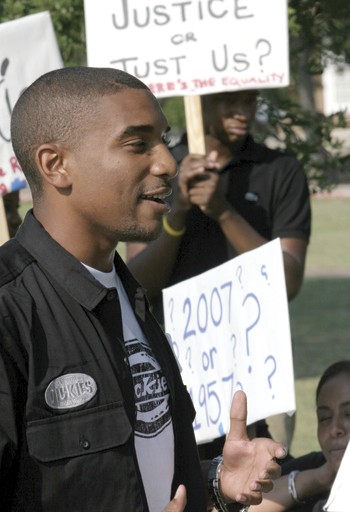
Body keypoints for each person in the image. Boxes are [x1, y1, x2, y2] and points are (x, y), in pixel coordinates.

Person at [0, 66, 286, 512]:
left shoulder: (129, 297)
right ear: (55, 165)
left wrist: (210, 479)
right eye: (137, 144)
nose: (168, 163)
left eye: (164, 140)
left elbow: (126, 478)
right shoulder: (10, 311)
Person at [126, 89, 312, 450]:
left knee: (251, 476)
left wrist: (224, 213)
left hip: (253, 372)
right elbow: (137, 282)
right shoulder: (161, 168)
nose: (242, 111)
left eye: (250, 100)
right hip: (175, 367)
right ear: (201, 96)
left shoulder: (280, 169)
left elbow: (287, 280)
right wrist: (177, 212)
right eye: (230, 100)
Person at [250, 359, 350, 512]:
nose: (334, 429)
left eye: (348, 414)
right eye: (324, 418)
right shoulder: (314, 467)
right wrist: (316, 479)